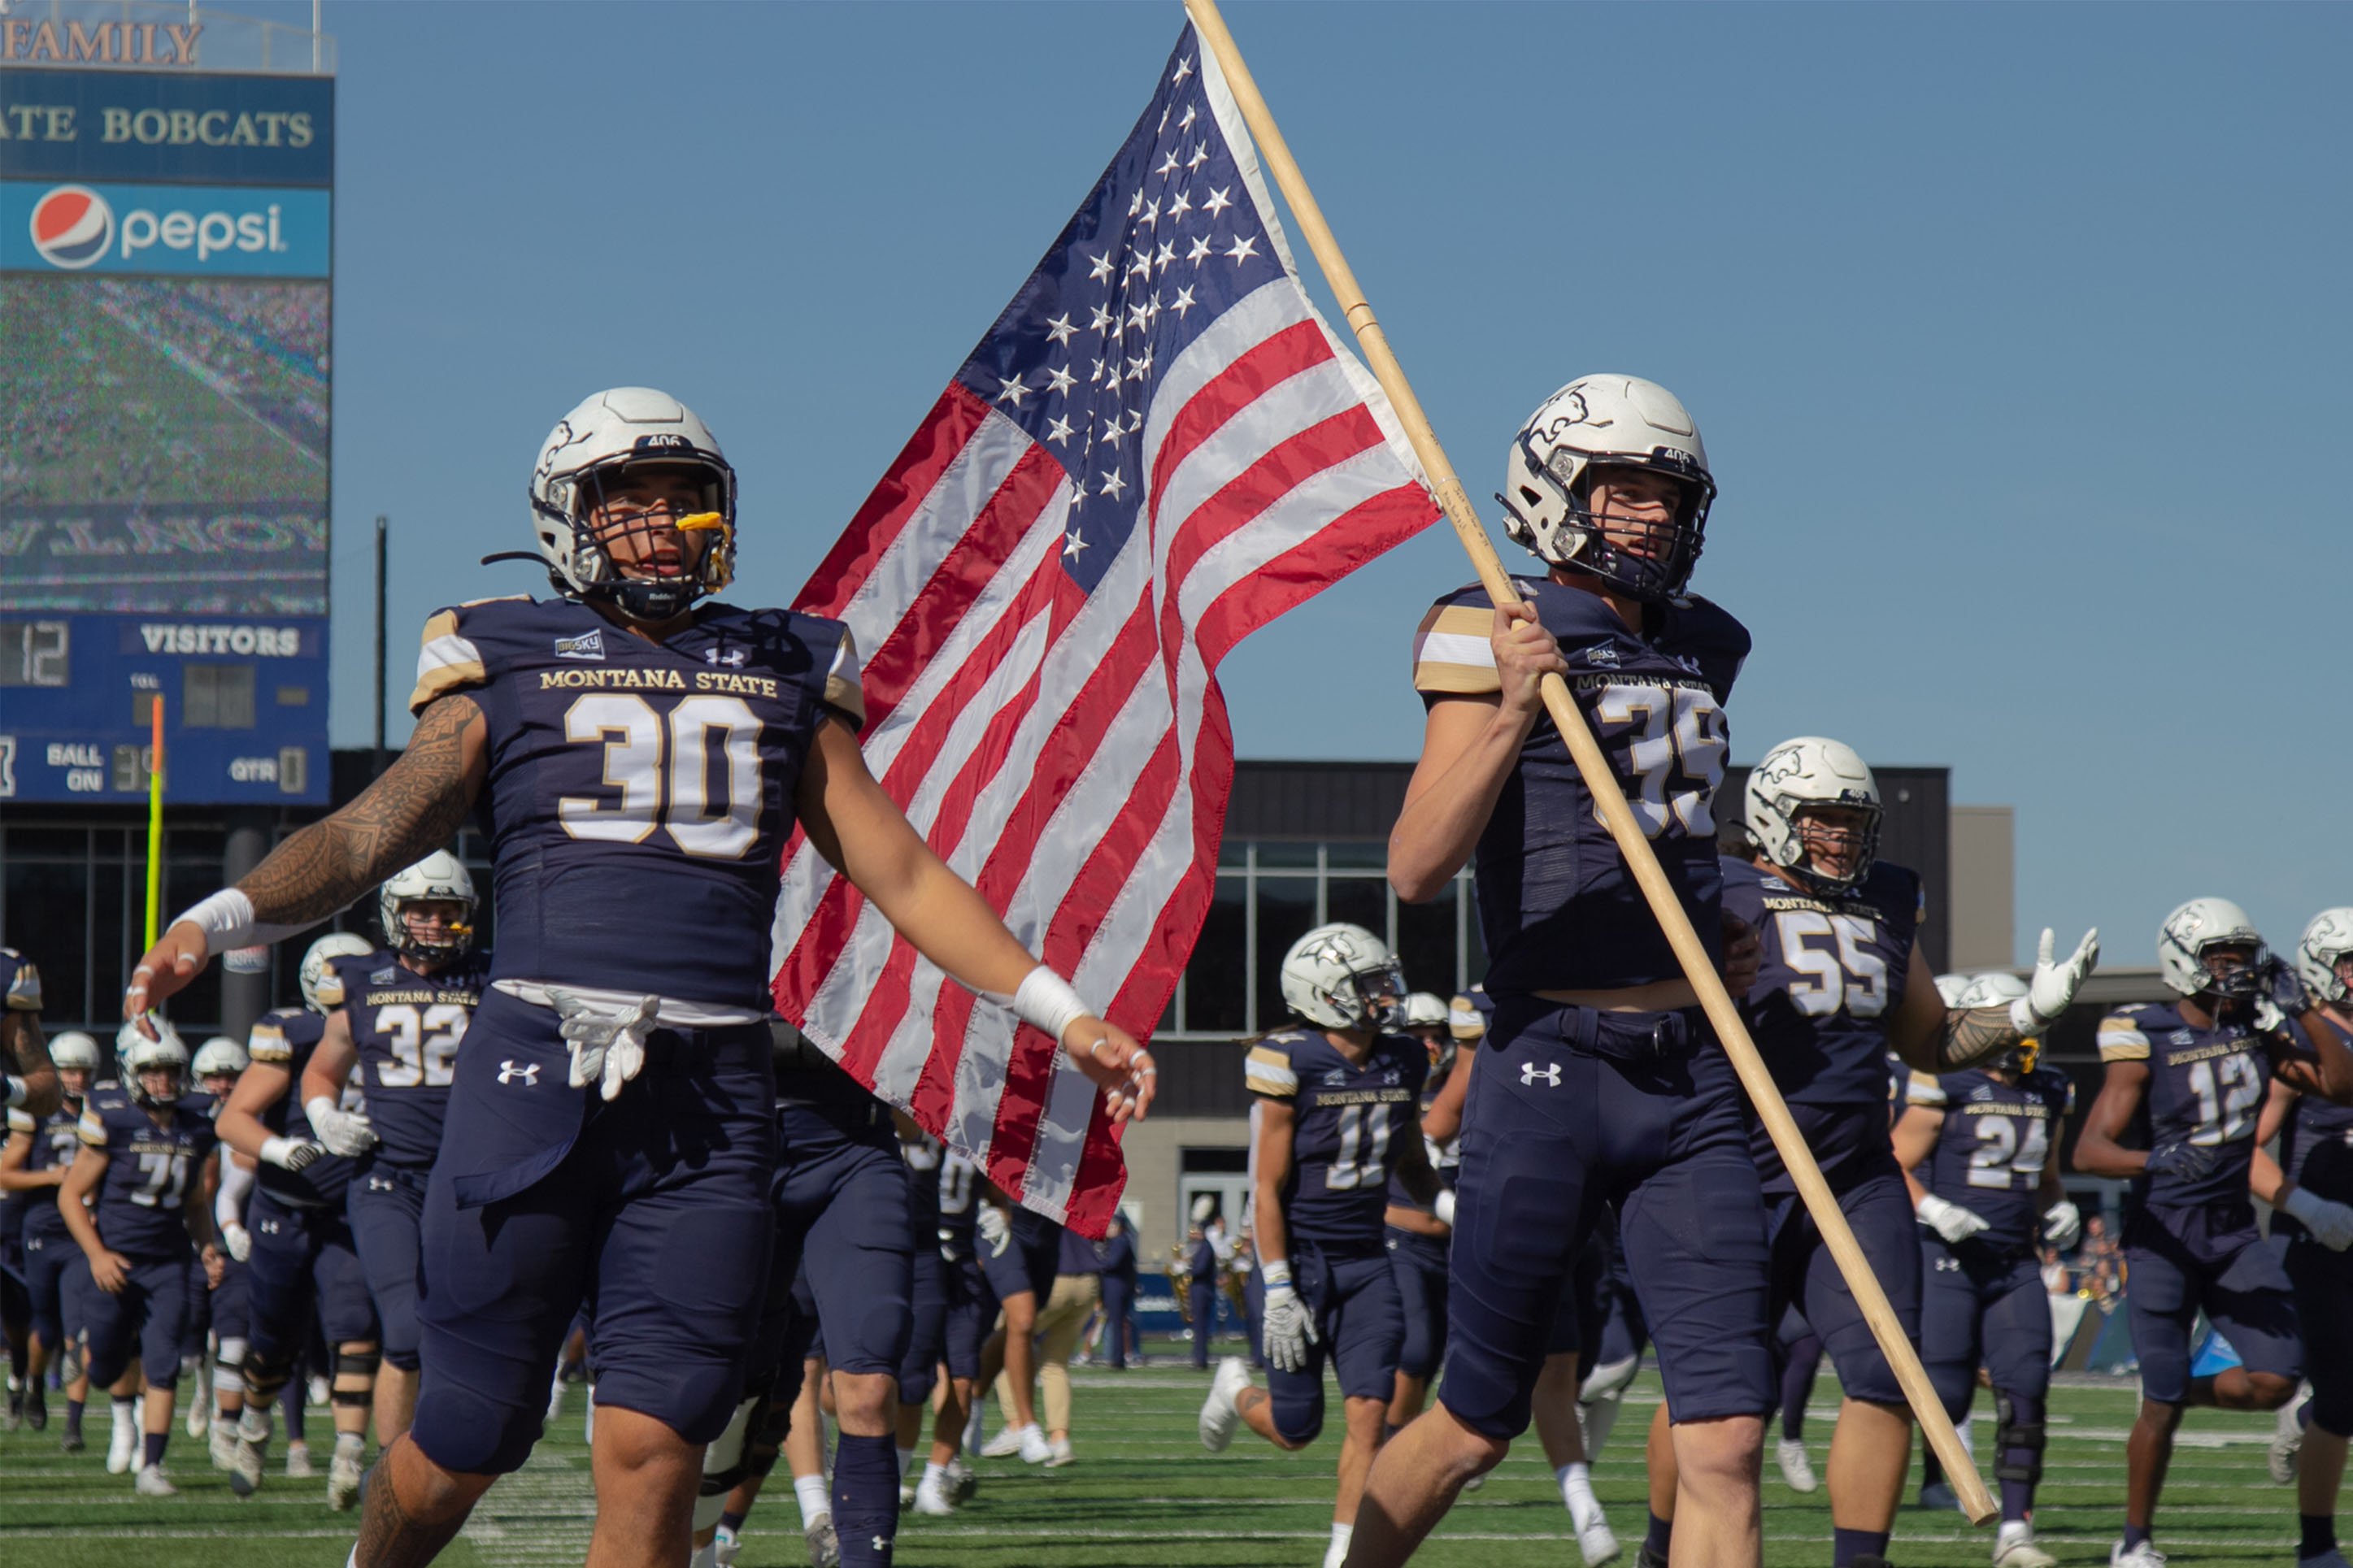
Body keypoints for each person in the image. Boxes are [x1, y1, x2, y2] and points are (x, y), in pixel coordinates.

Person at [123, 384, 1155, 1566]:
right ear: (568, 515)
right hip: (531, 1068)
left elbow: (904, 872)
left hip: (712, 1093)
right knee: (468, 1430)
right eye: (629, 498)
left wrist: (1062, 1012)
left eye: (685, 499)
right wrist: (223, 912)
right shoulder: (500, 647)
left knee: (661, 1442)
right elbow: (374, 832)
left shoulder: (784, 661)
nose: (662, 522)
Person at [1354, 375, 1777, 1568]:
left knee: (1727, 1439)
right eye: (1620, 488)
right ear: (1555, 490)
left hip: (1691, 1073)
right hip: (1547, 1060)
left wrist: (1729, 909)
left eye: (1666, 492)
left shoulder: (1705, 643)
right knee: (1473, 1423)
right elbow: (1415, 866)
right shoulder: (1485, 619)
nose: (1646, 514)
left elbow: (1674, 830)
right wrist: (1510, 708)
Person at [1642, 736, 2092, 1568]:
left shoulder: (1884, 899)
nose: (1840, 837)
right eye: (1821, 818)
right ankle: (1660, 1548)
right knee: (1711, 1397)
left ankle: (1860, 1561)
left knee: (1886, 1374)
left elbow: (1928, 1039)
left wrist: (2026, 1014)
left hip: (1852, 1171)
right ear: (1774, 815)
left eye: (1852, 820)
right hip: (1727, 1165)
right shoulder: (1716, 884)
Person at [2072, 897, 2353, 1567]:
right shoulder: (2145, 1032)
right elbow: (2090, 1150)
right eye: (2219, 955)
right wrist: (2153, 1159)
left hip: (2231, 1232)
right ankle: (2135, 1538)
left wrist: (2305, 1011)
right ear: (2183, 959)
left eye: (2243, 954)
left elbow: (2340, 1085)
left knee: (2278, 1380)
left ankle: (2172, 1391)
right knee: (2161, 1403)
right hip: (2163, 1232)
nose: (2234, 968)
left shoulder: (2260, 1029)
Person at [1198, 923, 1450, 1568]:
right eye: (1368, 985)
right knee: (1296, 1428)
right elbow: (1266, 1187)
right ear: (1325, 994)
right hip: (1301, 1259)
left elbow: (1410, 1159)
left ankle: (1344, 1555)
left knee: (1372, 1410)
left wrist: (1449, 1204)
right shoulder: (1290, 1060)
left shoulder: (1403, 1057)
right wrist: (1278, 1284)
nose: (1385, 994)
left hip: (1368, 1259)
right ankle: (1235, 1389)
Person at [297, 853, 484, 1468]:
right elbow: (321, 1072)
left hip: (472, 1182)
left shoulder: (493, 979)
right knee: (403, 1332)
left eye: (446, 910)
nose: (432, 922)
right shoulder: (361, 981)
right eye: (420, 909)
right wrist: (324, 1116)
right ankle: (390, 1468)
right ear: (394, 914)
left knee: (470, 1328)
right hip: (390, 1179)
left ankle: (443, 1451)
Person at [1893, 971, 2081, 1568]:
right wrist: (1933, 1206)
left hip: (2014, 1263)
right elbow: (1890, 1164)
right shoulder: (1944, 1082)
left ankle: (2016, 1532)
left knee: (2026, 1388)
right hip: (1947, 1255)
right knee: (1944, 1394)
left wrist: (2061, 1207)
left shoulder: (2049, 1090)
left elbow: (2046, 1179)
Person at [215, 929, 383, 1503]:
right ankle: (256, 1426)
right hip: (283, 1209)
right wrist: (280, 1149)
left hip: (348, 1208)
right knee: (273, 1339)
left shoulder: (395, 1029)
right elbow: (232, 1119)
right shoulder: (294, 1030)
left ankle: (349, 1454)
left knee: (356, 1328)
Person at [58, 1021, 224, 1496]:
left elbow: (194, 1200)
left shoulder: (196, 1123)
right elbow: (71, 1195)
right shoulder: (115, 1118)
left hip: (170, 1262)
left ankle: (151, 1465)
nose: (164, 1083)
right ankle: (93, 1358)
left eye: (171, 1073)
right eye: (153, 1073)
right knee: (107, 1365)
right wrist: (97, 1254)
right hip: (117, 1260)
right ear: (133, 1074)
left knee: (164, 1360)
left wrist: (207, 1245)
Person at [2249, 909, 2353, 1568]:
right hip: (2320, 1240)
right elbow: (2249, 1150)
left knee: (2342, 1396)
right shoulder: (2297, 1037)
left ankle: (2305, 1413)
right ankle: (2317, 1544)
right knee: (2346, 1396)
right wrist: (2308, 1207)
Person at [0, 1027, 99, 1446]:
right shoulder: (36, 1114)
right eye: (68, 1072)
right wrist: (52, 1176)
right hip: (42, 1227)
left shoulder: (105, 1112)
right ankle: (34, 1384)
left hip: (86, 1233)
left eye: (82, 1072)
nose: (75, 1079)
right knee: (44, 1326)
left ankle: (74, 1424)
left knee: (80, 1330)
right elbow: (5, 1173)